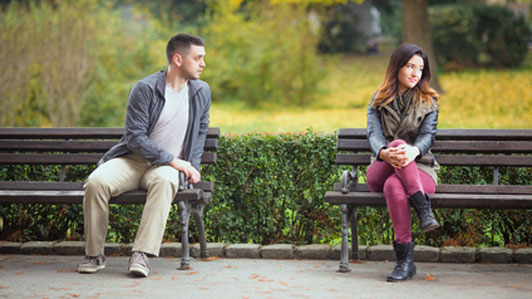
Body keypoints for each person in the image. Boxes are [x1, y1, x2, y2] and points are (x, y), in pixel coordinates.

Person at [77, 33, 210, 277]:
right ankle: (94, 254)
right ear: (178, 59)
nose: (203, 64)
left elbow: (201, 131)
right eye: (198, 58)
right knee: (96, 182)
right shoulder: (145, 88)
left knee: (165, 179)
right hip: (133, 160)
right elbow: (135, 138)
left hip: (166, 169)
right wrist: (172, 159)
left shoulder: (201, 92)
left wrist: (192, 165)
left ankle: (142, 254)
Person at [366, 43, 440, 282]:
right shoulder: (378, 101)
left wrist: (414, 151)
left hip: (421, 169)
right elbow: (373, 134)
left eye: (420, 68)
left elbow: (428, 137)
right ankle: (422, 207)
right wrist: (384, 152)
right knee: (397, 144)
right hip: (383, 164)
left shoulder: (429, 102)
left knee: (393, 187)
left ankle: (405, 262)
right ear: (397, 67)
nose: (415, 73)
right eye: (410, 66)